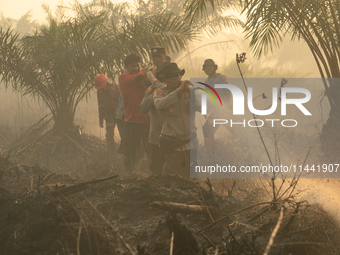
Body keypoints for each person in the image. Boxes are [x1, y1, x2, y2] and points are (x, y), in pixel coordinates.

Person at [154, 63, 198, 178]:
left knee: (193, 178)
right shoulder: (160, 92)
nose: (174, 78)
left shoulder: (189, 90)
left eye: (176, 75)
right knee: (174, 179)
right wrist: (178, 91)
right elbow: (159, 105)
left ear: (180, 76)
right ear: (164, 79)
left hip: (191, 144)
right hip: (173, 145)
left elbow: (204, 108)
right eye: (169, 76)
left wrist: (194, 94)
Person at [118, 53, 148, 173]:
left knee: (149, 150)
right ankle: (128, 176)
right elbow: (138, 78)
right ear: (126, 67)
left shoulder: (142, 76)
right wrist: (145, 70)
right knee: (130, 152)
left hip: (146, 119)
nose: (136, 68)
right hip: (132, 121)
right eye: (132, 66)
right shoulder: (124, 78)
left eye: (138, 66)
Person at [140, 47, 167, 174]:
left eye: (159, 57)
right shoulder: (152, 72)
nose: (156, 59)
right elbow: (144, 104)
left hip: (168, 121)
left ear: (165, 57)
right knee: (152, 144)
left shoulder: (169, 71)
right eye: (154, 57)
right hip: (154, 118)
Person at [202, 59, 230, 154]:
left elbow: (227, 93)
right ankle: (212, 150)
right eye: (206, 67)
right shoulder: (208, 80)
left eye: (210, 66)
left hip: (223, 109)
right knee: (208, 129)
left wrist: (224, 107)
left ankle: (210, 151)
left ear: (214, 67)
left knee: (207, 128)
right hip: (216, 110)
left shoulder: (221, 77)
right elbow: (208, 96)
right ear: (204, 69)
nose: (208, 68)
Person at [95, 74, 120, 150]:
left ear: (106, 83)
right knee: (109, 135)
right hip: (109, 115)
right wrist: (101, 120)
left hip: (119, 114)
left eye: (101, 87)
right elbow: (101, 106)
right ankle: (112, 150)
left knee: (124, 132)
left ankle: (124, 150)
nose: (101, 89)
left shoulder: (116, 88)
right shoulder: (99, 92)